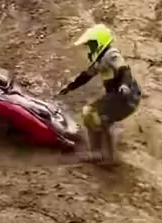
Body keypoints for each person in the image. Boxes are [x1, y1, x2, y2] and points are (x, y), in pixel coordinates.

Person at [59, 23, 141, 163]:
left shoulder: (111, 54)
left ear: (99, 42)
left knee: (90, 112)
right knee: (102, 120)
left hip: (125, 97)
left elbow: (124, 69)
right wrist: (70, 87)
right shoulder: (100, 60)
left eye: (91, 44)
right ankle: (109, 156)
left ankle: (98, 153)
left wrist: (124, 85)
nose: (90, 48)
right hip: (121, 98)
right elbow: (86, 75)